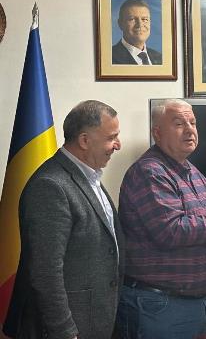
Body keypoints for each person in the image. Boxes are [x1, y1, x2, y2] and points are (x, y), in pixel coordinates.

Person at [116, 99, 206, 339]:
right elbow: (171, 230)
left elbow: (200, 223)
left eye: (192, 123)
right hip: (159, 305)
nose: (189, 130)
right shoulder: (150, 172)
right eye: (179, 123)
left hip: (189, 303)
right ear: (157, 133)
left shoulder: (191, 172)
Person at [3, 100, 123, 339]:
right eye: (112, 137)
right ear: (84, 140)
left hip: (97, 320)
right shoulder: (51, 186)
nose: (118, 145)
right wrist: (64, 331)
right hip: (68, 328)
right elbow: (45, 272)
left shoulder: (89, 177)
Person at [112, 0, 162, 65]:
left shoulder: (160, 58)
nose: (140, 24)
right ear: (120, 24)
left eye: (144, 19)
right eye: (132, 19)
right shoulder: (110, 57)